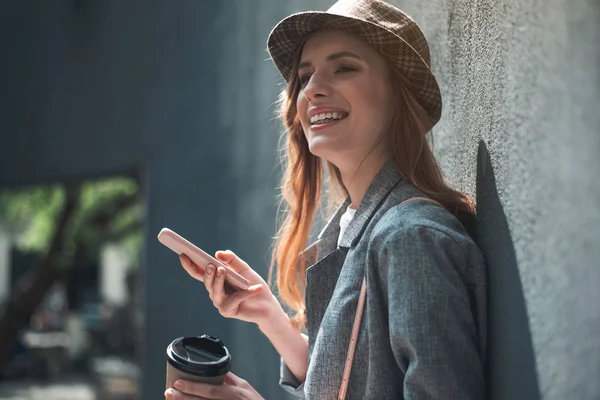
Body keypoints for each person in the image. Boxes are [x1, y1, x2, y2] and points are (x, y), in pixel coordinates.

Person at [164, 0, 487, 399]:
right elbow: (352, 380)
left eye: (344, 67)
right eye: (304, 76)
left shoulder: (410, 239)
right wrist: (270, 315)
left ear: (398, 92)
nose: (312, 88)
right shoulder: (358, 230)